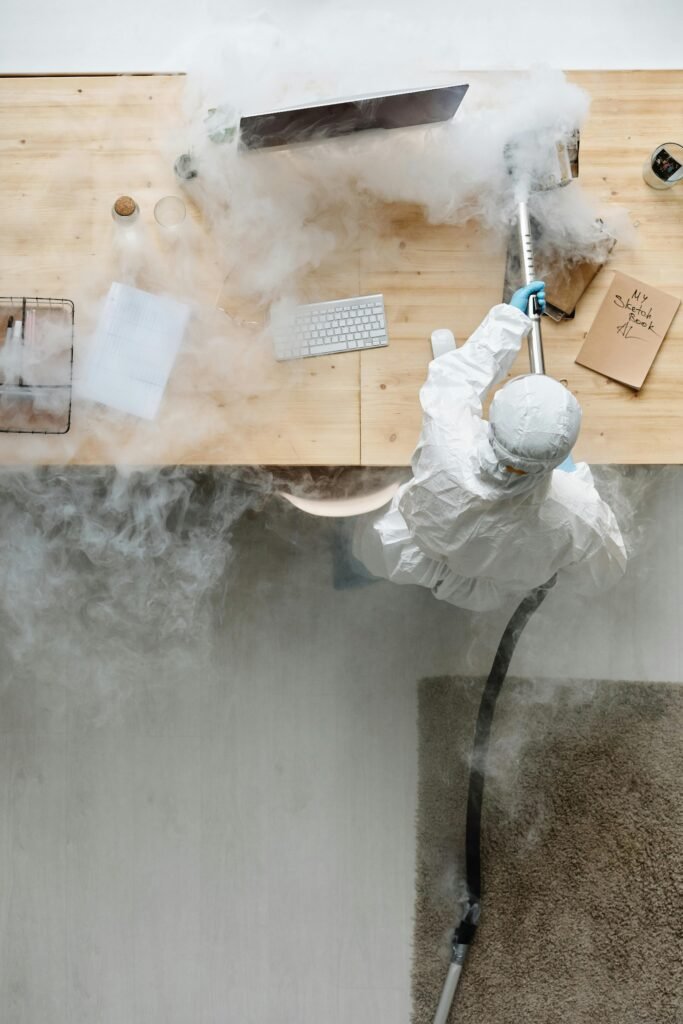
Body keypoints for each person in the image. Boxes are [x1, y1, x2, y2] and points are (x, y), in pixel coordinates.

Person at [353, 282, 627, 610]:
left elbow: (456, 377)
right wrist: (577, 483)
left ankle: (356, 570)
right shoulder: (578, 511)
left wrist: (510, 317)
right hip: (485, 584)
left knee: (367, 551)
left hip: (413, 549)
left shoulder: (447, 439)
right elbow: (605, 573)